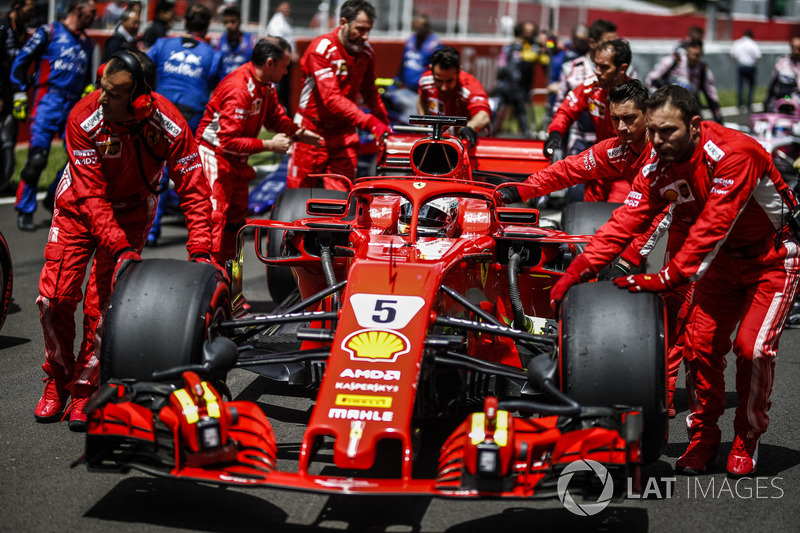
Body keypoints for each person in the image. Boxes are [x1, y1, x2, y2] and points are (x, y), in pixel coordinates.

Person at [550, 85, 800, 477]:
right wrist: (573, 275)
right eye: (654, 130)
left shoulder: (736, 153)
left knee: (752, 350)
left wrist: (667, 276)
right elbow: (623, 224)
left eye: (668, 131)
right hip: (720, 264)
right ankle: (703, 439)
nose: (659, 140)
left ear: (695, 126)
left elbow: (712, 227)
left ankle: (747, 437)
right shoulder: (658, 166)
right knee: (699, 348)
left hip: (773, 260)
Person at [34, 50, 213, 430]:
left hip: (134, 210)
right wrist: (120, 247)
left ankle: (85, 388)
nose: (101, 98)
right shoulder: (84, 117)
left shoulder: (171, 125)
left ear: (140, 100)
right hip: (79, 205)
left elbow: (195, 191)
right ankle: (58, 378)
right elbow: (91, 197)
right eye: (102, 88)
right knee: (53, 299)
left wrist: (201, 251)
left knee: (103, 308)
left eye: (112, 94)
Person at [197, 37, 322, 265]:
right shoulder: (239, 90)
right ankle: (206, 287)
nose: (286, 73)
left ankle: (229, 289)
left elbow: (276, 119)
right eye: (285, 66)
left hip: (237, 161)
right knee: (214, 223)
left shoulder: (266, 88)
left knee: (235, 225)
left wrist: (300, 133)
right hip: (214, 156)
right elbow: (227, 141)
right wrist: (269, 145)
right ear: (270, 63)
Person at [11, 0, 96, 231]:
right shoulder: (48, 32)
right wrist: (20, 95)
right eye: (91, 13)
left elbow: (88, 77)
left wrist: (88, 92)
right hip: (47, 100)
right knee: (38, 158)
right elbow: (20, 63)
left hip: (73, 105)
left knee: (79, 158)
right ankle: (24, 208)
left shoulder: (87, 42)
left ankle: (52, 195)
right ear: (78, 10)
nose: (94, 18)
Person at [287, 0, 389, 190]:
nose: (365, 36)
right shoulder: (322, 49)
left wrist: (384, 125)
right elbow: (331, 99)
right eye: (360, 29)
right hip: (311, 130)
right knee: (299, 192)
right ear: (343, 22)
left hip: (344, 132)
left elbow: (370, 93)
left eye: (369, 30)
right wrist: (370, 122)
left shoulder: (366, 53)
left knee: (342, 196)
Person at [505, 79, 649, 205]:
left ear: (649, 114)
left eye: (629, 118)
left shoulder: (665, 152)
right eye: (615, 119)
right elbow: (567, 170)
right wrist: (519, 190)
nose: (621, 127)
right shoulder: (614, 149)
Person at [146, 2, 219, 245]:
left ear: (184, 22)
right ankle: (198, 233)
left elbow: (142, 68)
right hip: (190, 116)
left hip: (159, 111)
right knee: (187, 171)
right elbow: (217, 89)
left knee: (153, 167)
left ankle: (150, 231)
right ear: (206, 27)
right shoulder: (212, 54)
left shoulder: (162, 45)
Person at [545, 38, 632, 164]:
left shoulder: (636, 97)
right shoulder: (591, 87)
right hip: (600, 162)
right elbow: (565, 111)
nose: (597, 71)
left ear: (622, 69)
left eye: (604, 67)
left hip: (627, 168)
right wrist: (555, 133)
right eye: (596, 65)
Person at [554, 19, 618, 158]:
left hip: (614, 144)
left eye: (616, 42)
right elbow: (560, 108)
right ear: (593, 43)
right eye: (608, 42)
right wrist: (556, 138)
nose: (614, 47)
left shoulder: (626, 71)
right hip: (580, 140)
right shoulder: (570, 68)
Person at [417, 46, 491, 145]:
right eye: (438, 80)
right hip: (437, 142)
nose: (443, 87)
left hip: (467, 142)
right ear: (431, 70)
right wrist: (423, 125)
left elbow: (483, 116)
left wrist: (468, 127)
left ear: (459, 71)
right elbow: (422, 99)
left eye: (449, 81)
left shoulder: (470, 87)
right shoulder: (425, 81)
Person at [0, 0, 36, 195]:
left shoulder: (23, 31)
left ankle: (4, 182)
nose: (32, 14)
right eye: (29, 10)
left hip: (15, 94)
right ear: (17, 7)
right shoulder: (3, 27)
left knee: (9, 137)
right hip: (1, 93)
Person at [645, 39, 723, 124]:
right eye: (691, 54)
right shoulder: (674, 61)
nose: (693, 57)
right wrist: (658, 99)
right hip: (666, 104)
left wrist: (719, 118)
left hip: (687, 106)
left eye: (697, 55)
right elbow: (650, 80)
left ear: (701, 55)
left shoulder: (704, 71)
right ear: (687, 52)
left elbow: (711, 96)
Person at [492, 21, 549, 137]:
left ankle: (527, 141)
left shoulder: (534, 47)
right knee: (494, 111)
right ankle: (487, 134)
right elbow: (503, 65)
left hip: (521, 89)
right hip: (505, 86)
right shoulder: (511, 47)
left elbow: (545, 60)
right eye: (525, 32)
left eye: (531, 32)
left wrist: (543, 49)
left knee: (523, 117)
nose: (527, 35)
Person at [393, 13, 440, 123]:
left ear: (427, 26)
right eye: (416, 26)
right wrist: (397, 81)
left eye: (421, 26)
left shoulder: (435, 45)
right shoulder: (410, 41)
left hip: (422, 93)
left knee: (413, 112)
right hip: (407, 89)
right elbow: (402, 63)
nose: (418, 29)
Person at [265, 1, 296, 109]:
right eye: (284, 7)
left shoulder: (287, 21)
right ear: (278, 8)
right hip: (278, 62)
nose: (287, 9)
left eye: (289, 7)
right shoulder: (276, 22)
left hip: (286, 62)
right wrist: (289, 56)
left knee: (285, 91)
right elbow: (277, 43)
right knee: (278, 90)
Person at [213, 5, 257, 80]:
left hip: (244, 86)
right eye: (226, 22)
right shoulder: (218, 41)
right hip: (224, 86)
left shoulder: (251, 41)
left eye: (233, 22)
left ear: (240, 21)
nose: (229, 26)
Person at [763, 36, 800, 113]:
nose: (796, 51)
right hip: (781, 96)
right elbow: (773, 81)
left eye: (799, 49)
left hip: (795, 98)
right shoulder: (782, 62)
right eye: (794, 48)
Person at [730, 29, 761, 113]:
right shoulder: (753, 44)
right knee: (751, 87)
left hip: (741, 66)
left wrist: (739, 60)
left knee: (740, 86)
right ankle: (749, 104)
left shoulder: (738, 43)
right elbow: (758, 57)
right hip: (751, 67)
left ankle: (740, 105)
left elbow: (733, 55)